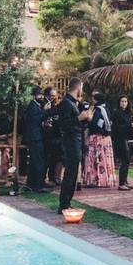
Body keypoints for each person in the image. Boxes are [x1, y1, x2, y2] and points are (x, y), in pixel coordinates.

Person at [57, 78, 93, 214]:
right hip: (70, 142)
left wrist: (86, 119)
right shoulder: (66, 103)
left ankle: (67, 202)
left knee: (73, 172)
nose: (82, 91)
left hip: (76, 140)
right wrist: (79, 118)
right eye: (82, 88)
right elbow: (64, 125)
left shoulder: (74, 103)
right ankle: (64, 204)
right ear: (78, 88)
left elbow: (78, 124)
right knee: (70, 173)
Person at [82, 91, 117, 188]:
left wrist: (89, 120)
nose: (92, 100)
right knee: (104, 159)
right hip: (106, 137)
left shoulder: (98, 110)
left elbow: (94, 123)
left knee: (95, 158)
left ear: (97, 99)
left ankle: (95, 180)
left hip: (96, 138)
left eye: (93, 98)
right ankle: (105, 180)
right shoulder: (106, 109)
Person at [23, 86, 50, 192]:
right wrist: (44, 111)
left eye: (42, 94)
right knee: (38, 160)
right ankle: (38, 185)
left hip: (37, 136)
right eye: (39, 94)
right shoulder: (33, 106)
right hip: (34, 137)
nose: (41, 96)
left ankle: (34, 183)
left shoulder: (36, 105)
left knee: (36, 160)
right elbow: (35, 120)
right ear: (35, 95)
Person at [112, 95, 133, 191]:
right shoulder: (116, 113)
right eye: (122, 101)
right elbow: (116, 128)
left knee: (127, 160)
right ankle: (121, 183)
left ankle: (125, 181)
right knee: (124, 160)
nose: (124, 103)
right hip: (120, 139)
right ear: (119, 102)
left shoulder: (128, 113)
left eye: (125, 101)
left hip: (128, 139)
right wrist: (129, 127)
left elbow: (130, 127)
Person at [42, 86, 62, 186]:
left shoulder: (56, 106)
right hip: (46, 136)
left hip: (55, 135)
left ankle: (53, 177)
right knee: (47, 158)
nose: (53, 98)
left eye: (55, 96)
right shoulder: (44, 104)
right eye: (51, 96)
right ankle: (43, 178)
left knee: (55, 157)